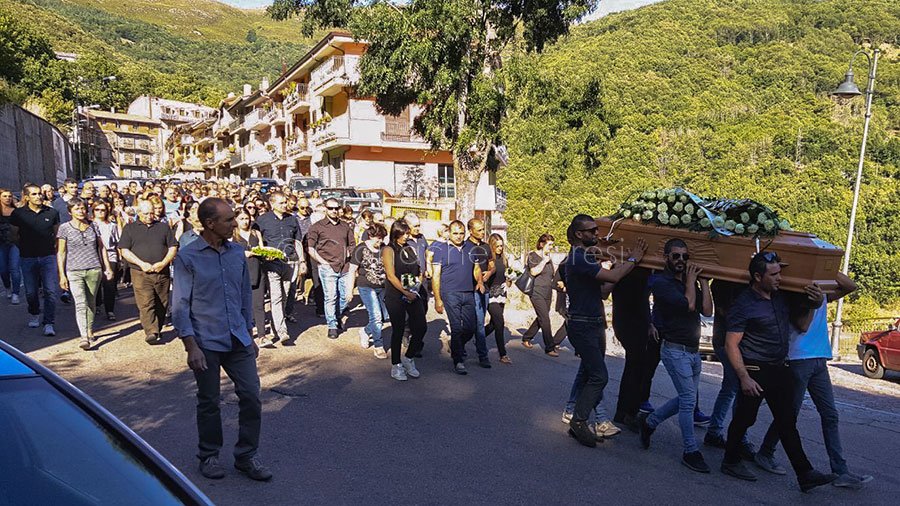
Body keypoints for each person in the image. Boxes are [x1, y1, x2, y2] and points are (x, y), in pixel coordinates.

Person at [172, 198, 272, 482]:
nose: (234, 223)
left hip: (238, 339)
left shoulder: (237, 253)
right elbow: (180, 304)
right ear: (210, 223)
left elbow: (244, 297)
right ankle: (209, 455)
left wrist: (250, 334)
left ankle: (246, 456)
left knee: (252, 396)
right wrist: (190, 346)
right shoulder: (187, 257)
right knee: (209, 401)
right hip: (205, 341)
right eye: (228, 220)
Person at [720, 251, 836, 492]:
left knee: (787, 421)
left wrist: (815, 303)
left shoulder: (780, 297)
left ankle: (805, 474)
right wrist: (744, 377)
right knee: (745, 418)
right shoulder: (744, 304)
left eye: (780, 273)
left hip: (779, 368)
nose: (779, 278)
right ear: (757, 276)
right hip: (755, 369)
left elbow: (802, 322)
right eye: (773, 274)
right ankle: (730, 460)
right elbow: (731, 344)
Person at [755, 272, 873, 489]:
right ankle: (765, 452)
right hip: (799, 358)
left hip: (819, 358)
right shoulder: (795, 291)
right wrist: (814, 302)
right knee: (789, 415)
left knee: (830, 414)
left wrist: (826, 267)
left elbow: (850, 286)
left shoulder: (822, 288)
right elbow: (802, 326)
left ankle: (840, 471)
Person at [563, 214, 645, 448]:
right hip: (583, 325)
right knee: (599, 376)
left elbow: (604, 291)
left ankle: (584, 417)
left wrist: (620, 265)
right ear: (579, 234)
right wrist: (632, 259)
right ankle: (579, 421)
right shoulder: (579, 258)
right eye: (591, 231)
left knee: (589, 373)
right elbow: (614, 276)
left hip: (594, 322)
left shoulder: (587, 259)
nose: (597, 235)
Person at [639, 239, 713, 473]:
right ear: (666, 258)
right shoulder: (661, 283)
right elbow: (688, 305)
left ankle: (650, 423)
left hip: (693, 351)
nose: (681, 261)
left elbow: (708, 311)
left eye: (685, 256)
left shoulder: (691, 282)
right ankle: (690, 451)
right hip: (674, 350)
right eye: (676, 256)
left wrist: (703, 282)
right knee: (689, 401)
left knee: (685, 399)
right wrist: (692, 281)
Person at [704, 279, 757, 455]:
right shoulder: (725, 284)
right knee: (738, 388)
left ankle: (715, 431)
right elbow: (726, 312)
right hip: (727, 342)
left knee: (730, 388)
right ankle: (739, 438)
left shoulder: (730, 282)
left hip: (726, 340)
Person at [56, 198, 114, 350]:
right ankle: (84, 337)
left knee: (91, 302)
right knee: (80, 303)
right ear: (70, 212)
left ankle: (89, 329)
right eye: (77, 209)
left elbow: (101, 248)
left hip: (93, 268)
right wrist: (62, 274)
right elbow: (61, 252)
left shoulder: (93, 226)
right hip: (74, 270)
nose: (81, 211)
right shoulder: (64, 228)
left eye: (82, 208)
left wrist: (107, 267)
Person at [118, 200, 177, 345]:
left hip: (161, 271)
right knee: (146, 302)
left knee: (162, 302)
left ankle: (158, 326)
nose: (150, 216)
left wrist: (163, 263)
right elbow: (124, 250)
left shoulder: (163, 227)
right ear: (139, 213)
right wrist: (141, 263)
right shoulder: (130, 228)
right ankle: (151, 331)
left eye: (152, 213)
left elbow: (173, 246)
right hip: (140, 272)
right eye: (146, 214)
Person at [432, 220, 484, 375]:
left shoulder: (471, 248)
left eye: (461, 233)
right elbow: (436, 275)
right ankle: (458, 360)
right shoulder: (441, 249)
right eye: (455, 233)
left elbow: (476, 268)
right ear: (449, 233)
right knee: (456, 327)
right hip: (450, 293)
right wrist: (437, 299)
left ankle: (456, 346)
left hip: (468, 292)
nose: (459, 236)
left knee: (470, 327)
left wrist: (480, 281)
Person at [10, 184, 60, 336]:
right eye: (34, 194)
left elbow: (57, 235)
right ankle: (34, 313)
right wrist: (24, 248)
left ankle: (49, 323)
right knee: (31, 292)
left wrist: (54, 251)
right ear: (26, 197)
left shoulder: (51, 212)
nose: (38, 196)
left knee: (50, 291)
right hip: (28, 257)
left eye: (39, 193)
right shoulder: (18, 214)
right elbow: (14, 235)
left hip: (48, 257)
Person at [255, 192, 305, 344]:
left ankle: (278, 322)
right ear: (272, 204)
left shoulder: (292, 219)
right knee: (276, 297)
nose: (285, 205)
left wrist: (302, 261)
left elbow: (298, 241)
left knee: (285, 295)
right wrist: (263, 255)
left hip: (290, 262)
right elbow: (258, 241)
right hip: (272, 263)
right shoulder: (262, 220)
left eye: (285, 202)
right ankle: (282, 331)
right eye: (282, 203)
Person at [611, 266, 656, 431]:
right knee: (637, 368)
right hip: (630, 323)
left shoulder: (634, 271)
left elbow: (642, 301)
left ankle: (624, 411)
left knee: (635, 367)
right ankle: (628, 412)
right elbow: (638, 301)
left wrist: (649, 322)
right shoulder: (634, 273)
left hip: (630, 322)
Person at [382, 220, 427, 380]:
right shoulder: (389, 249)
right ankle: (396, 365)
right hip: (395, 294)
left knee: (421, 327)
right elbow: (390, 275)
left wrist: (414, 288)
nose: (408, 236)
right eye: (405, 233)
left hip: (412, 291)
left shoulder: (409, 249)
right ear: (397, 233)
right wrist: (404, 291)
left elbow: (416, 270)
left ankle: (408, 358)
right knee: (398, 329)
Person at [308, 198, 354, 340]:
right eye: (330, 208)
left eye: (336, 208)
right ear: (325, 209)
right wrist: (323, 262)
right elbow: (310, 248)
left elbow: (352, 244)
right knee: (330, 297)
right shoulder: (317, 227)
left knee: (346, 297)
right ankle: (332, 325)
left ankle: (337, 315)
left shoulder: (345, 226)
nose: (334, 211)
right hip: (327, 267)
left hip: (344, 266)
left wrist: (348, 252)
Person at [348, 223, 390, 359]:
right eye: (378, 238)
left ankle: (365, 331)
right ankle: (378, 345)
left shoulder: (384, 249)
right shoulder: (361, 248)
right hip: (366, 285)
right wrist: (349, 290)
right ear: (370, 235)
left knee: (384, 316)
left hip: (382, 286)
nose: (380, 241)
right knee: (376, 316)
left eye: (382, 238)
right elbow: (352, 270)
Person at [233, 209, 270, 348]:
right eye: (241, 218)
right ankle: (243, 335)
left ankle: (262, 336)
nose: (245, 221)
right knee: (241, 305)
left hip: (257, 270)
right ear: (236, 219)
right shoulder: (232, 235)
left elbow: (262, 249)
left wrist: (266, 254)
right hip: (240, 272)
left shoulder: (256, 233)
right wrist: (243, 253)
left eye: (247, 218)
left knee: (259, 305)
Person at [522, 233, 560, 356]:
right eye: (549, 245)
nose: (551, 248)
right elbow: (533, 272)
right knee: (545, 318)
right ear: (542, 244)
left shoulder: (549, 257)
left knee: (542, 317)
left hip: (547, 291)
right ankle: (549, 347)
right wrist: (544, 261)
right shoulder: (533, 256)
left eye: (552, 245)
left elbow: (551, 274)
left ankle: (527, 337)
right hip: (536, 291)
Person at [466, 219, 492, 367]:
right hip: (471, 289)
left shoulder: (486, 246)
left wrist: (489, 272)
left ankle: (458, 344)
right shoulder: (465, 247)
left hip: (485, 289)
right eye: (479, 230)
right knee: (478, 324)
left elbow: (491, 263)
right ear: (471, 231)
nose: (483, 232)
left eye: (483, 229)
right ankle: (483, 355)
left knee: (478, 323)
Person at [482, 233, 511, 364]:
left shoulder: (504, 259)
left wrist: (510, 280)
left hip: (502, 294)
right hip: (491, 295)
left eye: (501, 246)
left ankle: (474, 337)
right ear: (491, 246)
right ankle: (502, 354)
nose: (500, 248)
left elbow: (506, 276)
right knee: (500, 323)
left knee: (493, 324)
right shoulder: (489, 260)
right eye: (497, 246)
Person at [92, 200, 120, 321]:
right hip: (94, 255)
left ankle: (110, 310)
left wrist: (120, 259)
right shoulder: (90, 225)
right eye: (97, 209)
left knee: (109, 284)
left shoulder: (112, 225)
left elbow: (117, 242)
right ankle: (97, 304)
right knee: (96, 282)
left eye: (103, 210)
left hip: (110, 254)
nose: (100, 212)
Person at [0, 188, 21, 305]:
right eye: (4, 196)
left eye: (9, 196)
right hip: (1, 243)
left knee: (14, 268)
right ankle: (7, 287)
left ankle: (16, 293)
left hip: (14, 243)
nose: (7, 198)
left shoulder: (16, 212)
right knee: (3, 269)